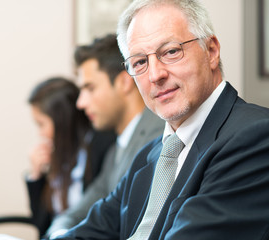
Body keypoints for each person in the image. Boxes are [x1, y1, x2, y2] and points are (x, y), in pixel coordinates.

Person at [45, 0, 269, 239]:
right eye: (140, 62)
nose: (155, 75)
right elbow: (93, 229)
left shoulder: (254, 137)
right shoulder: (149, 155)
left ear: (211, 51)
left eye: (171, 52)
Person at [45, 34, 164, 238]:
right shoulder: (115, 149)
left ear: (124, 82)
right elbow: (78, 212)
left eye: (90, 88)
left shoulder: (159, 138)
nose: (80, 103)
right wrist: (60, 234)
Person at [25, 77, 116, 236]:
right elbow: (42, 227)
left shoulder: (103, 146)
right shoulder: (59, 156)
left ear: (62, 121)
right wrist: (36, 176)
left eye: (41, 124)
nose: (40, 134)